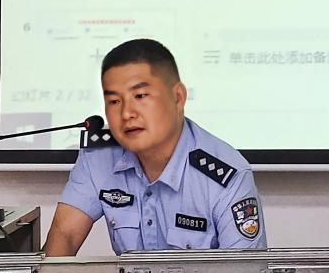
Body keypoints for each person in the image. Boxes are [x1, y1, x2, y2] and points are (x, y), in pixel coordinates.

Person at [43, 39, 266, 256]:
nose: (127, 113)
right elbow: (65, 234)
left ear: (178, 98)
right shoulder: (99, 156)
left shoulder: (227, 175)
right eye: (114, 101)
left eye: (140, 96)